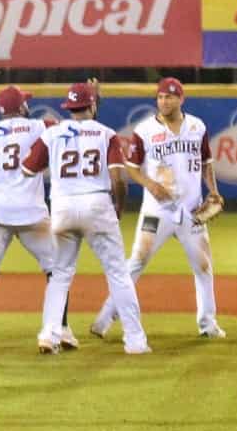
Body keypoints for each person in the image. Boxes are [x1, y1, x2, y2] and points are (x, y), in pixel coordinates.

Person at [90, 77, 226, 340]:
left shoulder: (197, 127)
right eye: (161, 97)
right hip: (157, 210)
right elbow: (131, 166)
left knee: (204, 267)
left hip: (191, 211)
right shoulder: (144, 130)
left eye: (170, 97)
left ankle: (208, 324)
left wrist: (214, 190)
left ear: (181, 99)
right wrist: (148, 183)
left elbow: (207, 162)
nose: (164, 101)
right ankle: (104, 319)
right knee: (136, 262)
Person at [21, 82, 149, 355]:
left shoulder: (52, 133)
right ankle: (135, 341)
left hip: (63, 207)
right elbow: (119, 178)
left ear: (68, 107)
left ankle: (49, 334)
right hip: (97, 203)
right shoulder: (107, 134)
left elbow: (27, 168)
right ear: (92, 106)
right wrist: (119, 207)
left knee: (60, 275)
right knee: (117, 274)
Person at [0, 85, 78, 354]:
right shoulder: (42, 126)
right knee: (57, 271)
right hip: (33, 213)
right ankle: (62, 329)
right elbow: (75, 129)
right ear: (21, 108)